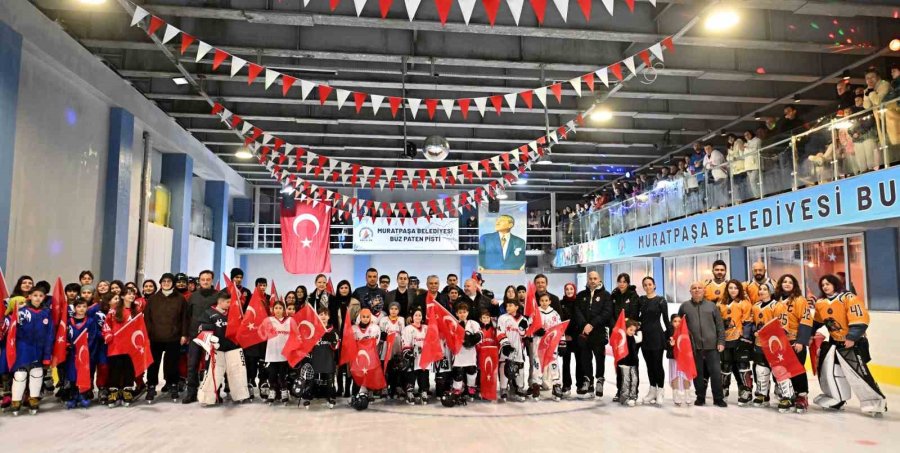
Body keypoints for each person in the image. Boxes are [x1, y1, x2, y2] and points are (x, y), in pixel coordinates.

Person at [813, 274, 886, 416]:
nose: (825, 287)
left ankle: (876, 402)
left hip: (853, 344)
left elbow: (860, 318)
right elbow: (817, 321)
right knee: (834, 373)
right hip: (835, 343)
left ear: (835, 284)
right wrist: (809, 334)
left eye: (828, 284)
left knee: (859, 375)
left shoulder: (848, 298)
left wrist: (852, 337)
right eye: (823, 285)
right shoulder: (821, 302)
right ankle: (837, 398)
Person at [195, 290, 250, 406]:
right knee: (213, 373)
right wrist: (210, 340)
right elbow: (202, 330)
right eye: (228, 302)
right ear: (220, 301)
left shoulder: (234, 313)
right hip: (216, 349)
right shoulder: (209, 313)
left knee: (238, 371)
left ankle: (240, 395)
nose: (230, 304)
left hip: (233, 347)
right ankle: (207, 398)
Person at [678, 281, 726, 408]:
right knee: (697, 374)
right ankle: (700, 397)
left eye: (699, 288)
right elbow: (679, 326)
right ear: (690, 291)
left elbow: (720, 326)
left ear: (704, 291)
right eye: (694, 288)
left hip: (712, 346)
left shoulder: (712, 306)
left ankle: (718, 398)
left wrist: (721, 341)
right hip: (694, 347)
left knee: (715, 373)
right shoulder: (684, 307)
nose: (697, 290)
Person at [771, 274, 812, 413]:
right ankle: (787, 395)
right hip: (778, 342)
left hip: (795, 341)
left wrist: (801, 341)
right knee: (781, 370)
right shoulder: (775, 300)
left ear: (794, 285)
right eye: (784, 282)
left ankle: (802, 396)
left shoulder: (800, 300)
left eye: (790, 282)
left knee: (797, 369)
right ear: (780, 284)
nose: (787, 284)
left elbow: (806, 321)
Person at [143, 272, 187, 403]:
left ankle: (173, 384)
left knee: (172, 363)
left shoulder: (180, 299)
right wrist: (147, 335)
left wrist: (184, 334)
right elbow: (147, 319)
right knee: (153, 364)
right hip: (155, 338)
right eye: (164, 281)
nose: (166, 284)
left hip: (173, 337)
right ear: (160, 283)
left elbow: (185, 318)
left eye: (169, 281)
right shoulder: (153, 299)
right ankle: (151, 386)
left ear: (172, 283)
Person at [9, 287, 53, 415]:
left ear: (44, 297)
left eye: (41, 295)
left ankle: (34, 398)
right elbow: (13, 332)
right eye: (35, 295)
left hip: (39, 348)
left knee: (37, 373)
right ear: (30, 296)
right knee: (20, 374)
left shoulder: (47, 313)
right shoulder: (21, 311)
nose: (38, 298)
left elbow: (50, 334)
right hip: (22, 348)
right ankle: (16, 400)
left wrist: (47, 354)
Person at [573, 270, 612, 398]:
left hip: (598, 333)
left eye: (595, 278)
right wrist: (584, 325)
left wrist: (593, 324)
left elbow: (606, 312)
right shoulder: (581, 295)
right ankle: (587, 381)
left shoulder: (606, 295)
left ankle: (600, 380)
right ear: (587, 280)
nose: (592, 281)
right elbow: (577, 311)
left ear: (599, 279)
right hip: (584, 333)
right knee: (585, 358)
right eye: (590, 278)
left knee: (600, 359)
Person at [183, 270, 219, 404]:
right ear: (199, 280)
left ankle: (213, 392)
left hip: (212, 335)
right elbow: (187, 316)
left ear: (212, 280)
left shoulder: (218, 296)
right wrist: (185, 334)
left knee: (212, 366)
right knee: (192, 365)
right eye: (202, 279)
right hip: (194, 335)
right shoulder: (193, 297)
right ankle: (191, 393)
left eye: (208, 279)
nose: (205, 282)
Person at [718, 279, 754, 406]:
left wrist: (745, 338)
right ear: (727, 289)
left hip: (740, 340)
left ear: (739, 290)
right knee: (725, 366)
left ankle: (746, 392)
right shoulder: (721, 304)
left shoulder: (744, 303)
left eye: (736, 288)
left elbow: (748, 322)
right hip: (725, 340)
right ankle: (724, 390)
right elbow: (718, 323)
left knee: (743, 366)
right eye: (730, 288)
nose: (733, 290)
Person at [61, 297, 102, 409]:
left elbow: (93, 337)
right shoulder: (69, 321)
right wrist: (67, 345)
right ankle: (73, 396)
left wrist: (86, 349)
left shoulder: (90, 321)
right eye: (79, 306)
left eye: (84, 306)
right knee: (73, 375)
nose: (81, 309)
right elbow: (64, 336)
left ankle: (83, 395)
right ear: (74, 308)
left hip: (84, 354)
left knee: (84, 375)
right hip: (72, 354)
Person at [637, 276, 671, 405]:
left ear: (654, 285)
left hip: (657, 336)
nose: (647, 287)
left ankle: (660, 391)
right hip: (645, 337)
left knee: (657, 365)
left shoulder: (661, 300)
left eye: (650, 284)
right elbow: (637, 317)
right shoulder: (642, 300)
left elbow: (666, 320)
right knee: (649, 365)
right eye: (645, 285)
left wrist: (670, 336)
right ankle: (652, 390)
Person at [102, 291, 137, 407]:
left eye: (133, 294)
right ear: (122, 296)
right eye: (128, 293)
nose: (131, 296)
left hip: (130, 346)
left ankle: (127, 391)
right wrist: (107, 334)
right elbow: (106, 325)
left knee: (129, 369)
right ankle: (114, 392)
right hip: (116, 346)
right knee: (115, 369)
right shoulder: (114, 311)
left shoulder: (136, 311)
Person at [609, 273, 639, 402]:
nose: (621, 284)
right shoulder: (614, 295)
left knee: (632, 364)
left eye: (624, 281)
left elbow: (634, 314)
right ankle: (620, 390)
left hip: (630, 336)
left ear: (628, 283)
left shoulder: (633, 296)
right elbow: (610, 313)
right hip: (618, 336)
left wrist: (627, 327)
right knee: (619, 363)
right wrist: (615, 328)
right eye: (619, 281)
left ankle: (633, 391)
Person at [302, 305, 339, 409]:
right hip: (316, 358)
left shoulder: (333, 330)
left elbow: (336, 346)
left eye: (325, 314)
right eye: (321, 314)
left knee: (329, 379)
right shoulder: (313, 329)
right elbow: (307, 345)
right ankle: (308, 397)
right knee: (311, 378)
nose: (323, 316)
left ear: (329, 317)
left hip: (328, 358)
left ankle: (330, 397)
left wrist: (333, 340)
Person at [531, 293, 564, 401]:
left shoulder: (555, 314)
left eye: (546, 300)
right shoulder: (535, 313)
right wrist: (535, 331)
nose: (544, 303)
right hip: (539, 343)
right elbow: (529, 328)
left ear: (550, 301)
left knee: (553, 364)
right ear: (539, 302)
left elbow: (560, 329)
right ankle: (536, 385)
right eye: (542, 301)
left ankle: (556, 385)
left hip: (551, 344)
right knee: (537, 364)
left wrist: (562, 342)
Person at [750, 282, 777, 408]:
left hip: (774, 344)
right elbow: (752, 324)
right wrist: (754, 332)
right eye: (760, 289)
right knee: (760, 370)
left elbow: (781, 325)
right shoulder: (755, 306)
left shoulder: (777, 306)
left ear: (770, 291)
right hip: (759, 344)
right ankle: (762, 394)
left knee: (778, 371)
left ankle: (785, 396)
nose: (761, 291)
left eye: (765, 289)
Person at [450, 302, 482, 403]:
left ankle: (471, 388)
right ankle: (457, 389)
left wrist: (472, 340)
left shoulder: (473, 323)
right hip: (458, 353)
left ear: (467, 312)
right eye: (460, 312)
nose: (462, 314)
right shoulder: (453, 324)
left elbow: (480, 335)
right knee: (458, 372)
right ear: (456, 313)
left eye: (464, 312)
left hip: (470, 352)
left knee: (471, 370)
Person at [497, 298, 528, 402]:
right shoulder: (502, 318)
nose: (508, 307)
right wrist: (505, 344)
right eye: (507, 306)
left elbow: (524, 335)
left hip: (518, 348)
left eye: (510, 305)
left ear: (516, 307)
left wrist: (523, 329)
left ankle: (519, 388)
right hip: (506, 348)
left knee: (519, 368)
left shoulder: (523, 319)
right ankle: (503, 389)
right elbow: (500, 332)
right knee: (504, 367)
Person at [264, 300, 291, 405]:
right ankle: (272, 391)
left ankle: (284, 392)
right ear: (272, 309)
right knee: (272, 375)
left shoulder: (289, 321)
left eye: (280, 308)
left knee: (283, 376)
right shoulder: (268, 320)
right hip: (272, 353)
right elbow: (262, 333)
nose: (278, 310)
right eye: (276, 308)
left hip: (284, 354)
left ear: (283, 309)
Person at [401, 307, 430, 405]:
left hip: (424, 357)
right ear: (412, 317)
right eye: (416, 315)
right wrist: (408, 352)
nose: (418, 317)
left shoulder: (426, 328)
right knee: (411, 375)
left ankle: (423, 391)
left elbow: (431, 341)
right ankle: (410, 392)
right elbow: (406, 342)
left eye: (420, 315)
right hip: (413, 357)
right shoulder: (408, 329)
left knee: (424, 375)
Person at [378, 302, 405, 399]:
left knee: (397, 368)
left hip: (397, 347)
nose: (394, 311)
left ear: (399, 310)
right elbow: (380, 333)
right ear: (388, 310)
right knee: (386, 368)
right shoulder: (384, 320)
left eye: (396, 309)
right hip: (386, 348)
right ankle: (384, 387)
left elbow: (403, 334)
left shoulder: (401, 319)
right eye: (392, 308)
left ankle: (397, 387)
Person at [666, 314, 692, 406]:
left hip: (684, 358)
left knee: (686, 375)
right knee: (675, 375)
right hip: (674, 358)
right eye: (675, 321)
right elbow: (664, 344)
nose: (677, 323)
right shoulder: (669, 332)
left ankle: (687, 394)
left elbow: (690, 344)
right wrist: (670, 344)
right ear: (671, 322)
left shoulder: (686, 331)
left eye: (679, 321)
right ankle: (676, 394)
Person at [558, 283, 579, 395]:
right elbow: (560, 321)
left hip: (577, 337)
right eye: (567, 289)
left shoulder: (579, 302)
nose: (569, 291)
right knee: (566, 363)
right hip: (565, 338)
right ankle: (566, 385)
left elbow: (580, 320)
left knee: (579, 362)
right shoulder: (561, 303)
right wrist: (564, 335)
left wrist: (575, 335)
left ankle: (580, 385)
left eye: (571, 289)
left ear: (574, 290)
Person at [618, 320, 642, 407]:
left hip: (633, 362)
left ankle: (633, 396)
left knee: (635, 379)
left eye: (634, 330)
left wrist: (639, 330)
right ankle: (624, 398)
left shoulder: (634, 337)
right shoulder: (622, 338)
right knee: (626, 381)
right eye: (630, 330)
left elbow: (640, 338)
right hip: (624, 363)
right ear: (625, 328)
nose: (632, 332)